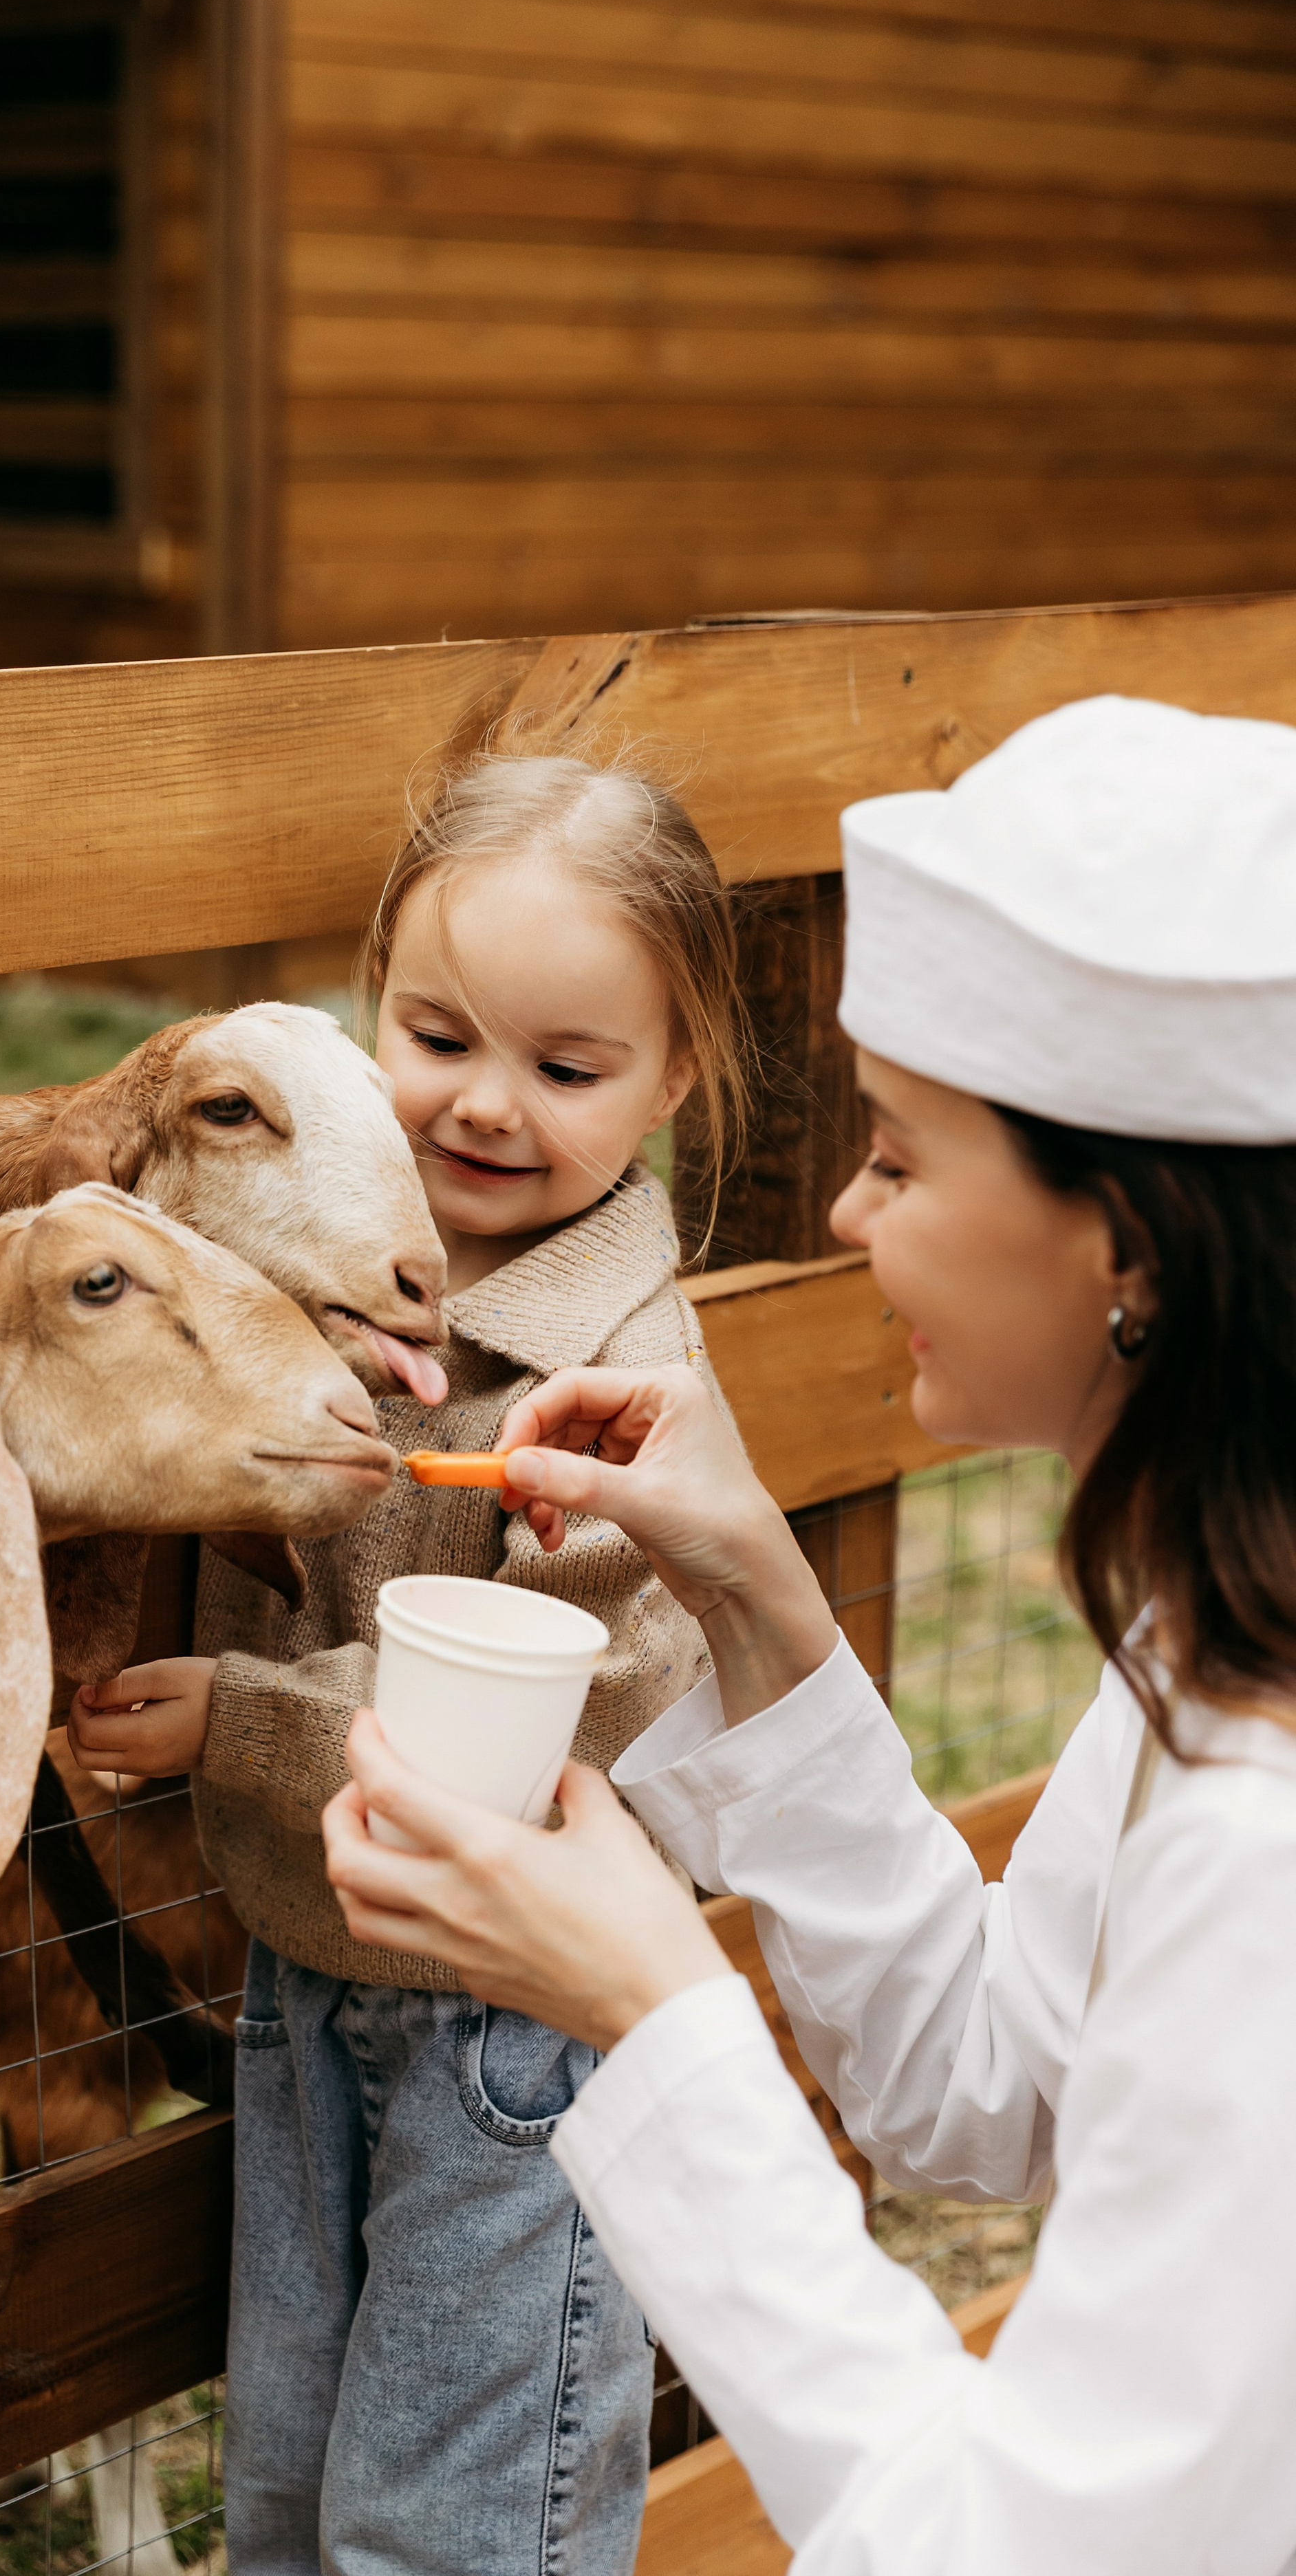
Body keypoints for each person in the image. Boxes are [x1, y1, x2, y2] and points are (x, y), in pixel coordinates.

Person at [0, 749, 750, 2576]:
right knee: (289, 2476)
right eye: (436, 1039)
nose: (481, 1106)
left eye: (566, 1071)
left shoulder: (626, 1372)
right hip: (301, 1980)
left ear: (677, 1078)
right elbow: (54, 1243)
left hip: (520, 2019)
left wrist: (240, 1722)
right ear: (366, 1019)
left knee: (451, 2511)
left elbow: (575, 1705)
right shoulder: (280, 1261)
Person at [322, 694, 1296, 2575]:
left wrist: (651, 2008)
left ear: (1131, 1242)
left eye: (904, 1161)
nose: (847, 1209)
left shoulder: (1265, 1835)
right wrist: (756, 1597)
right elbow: (984, 2089)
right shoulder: (1216, 1626)